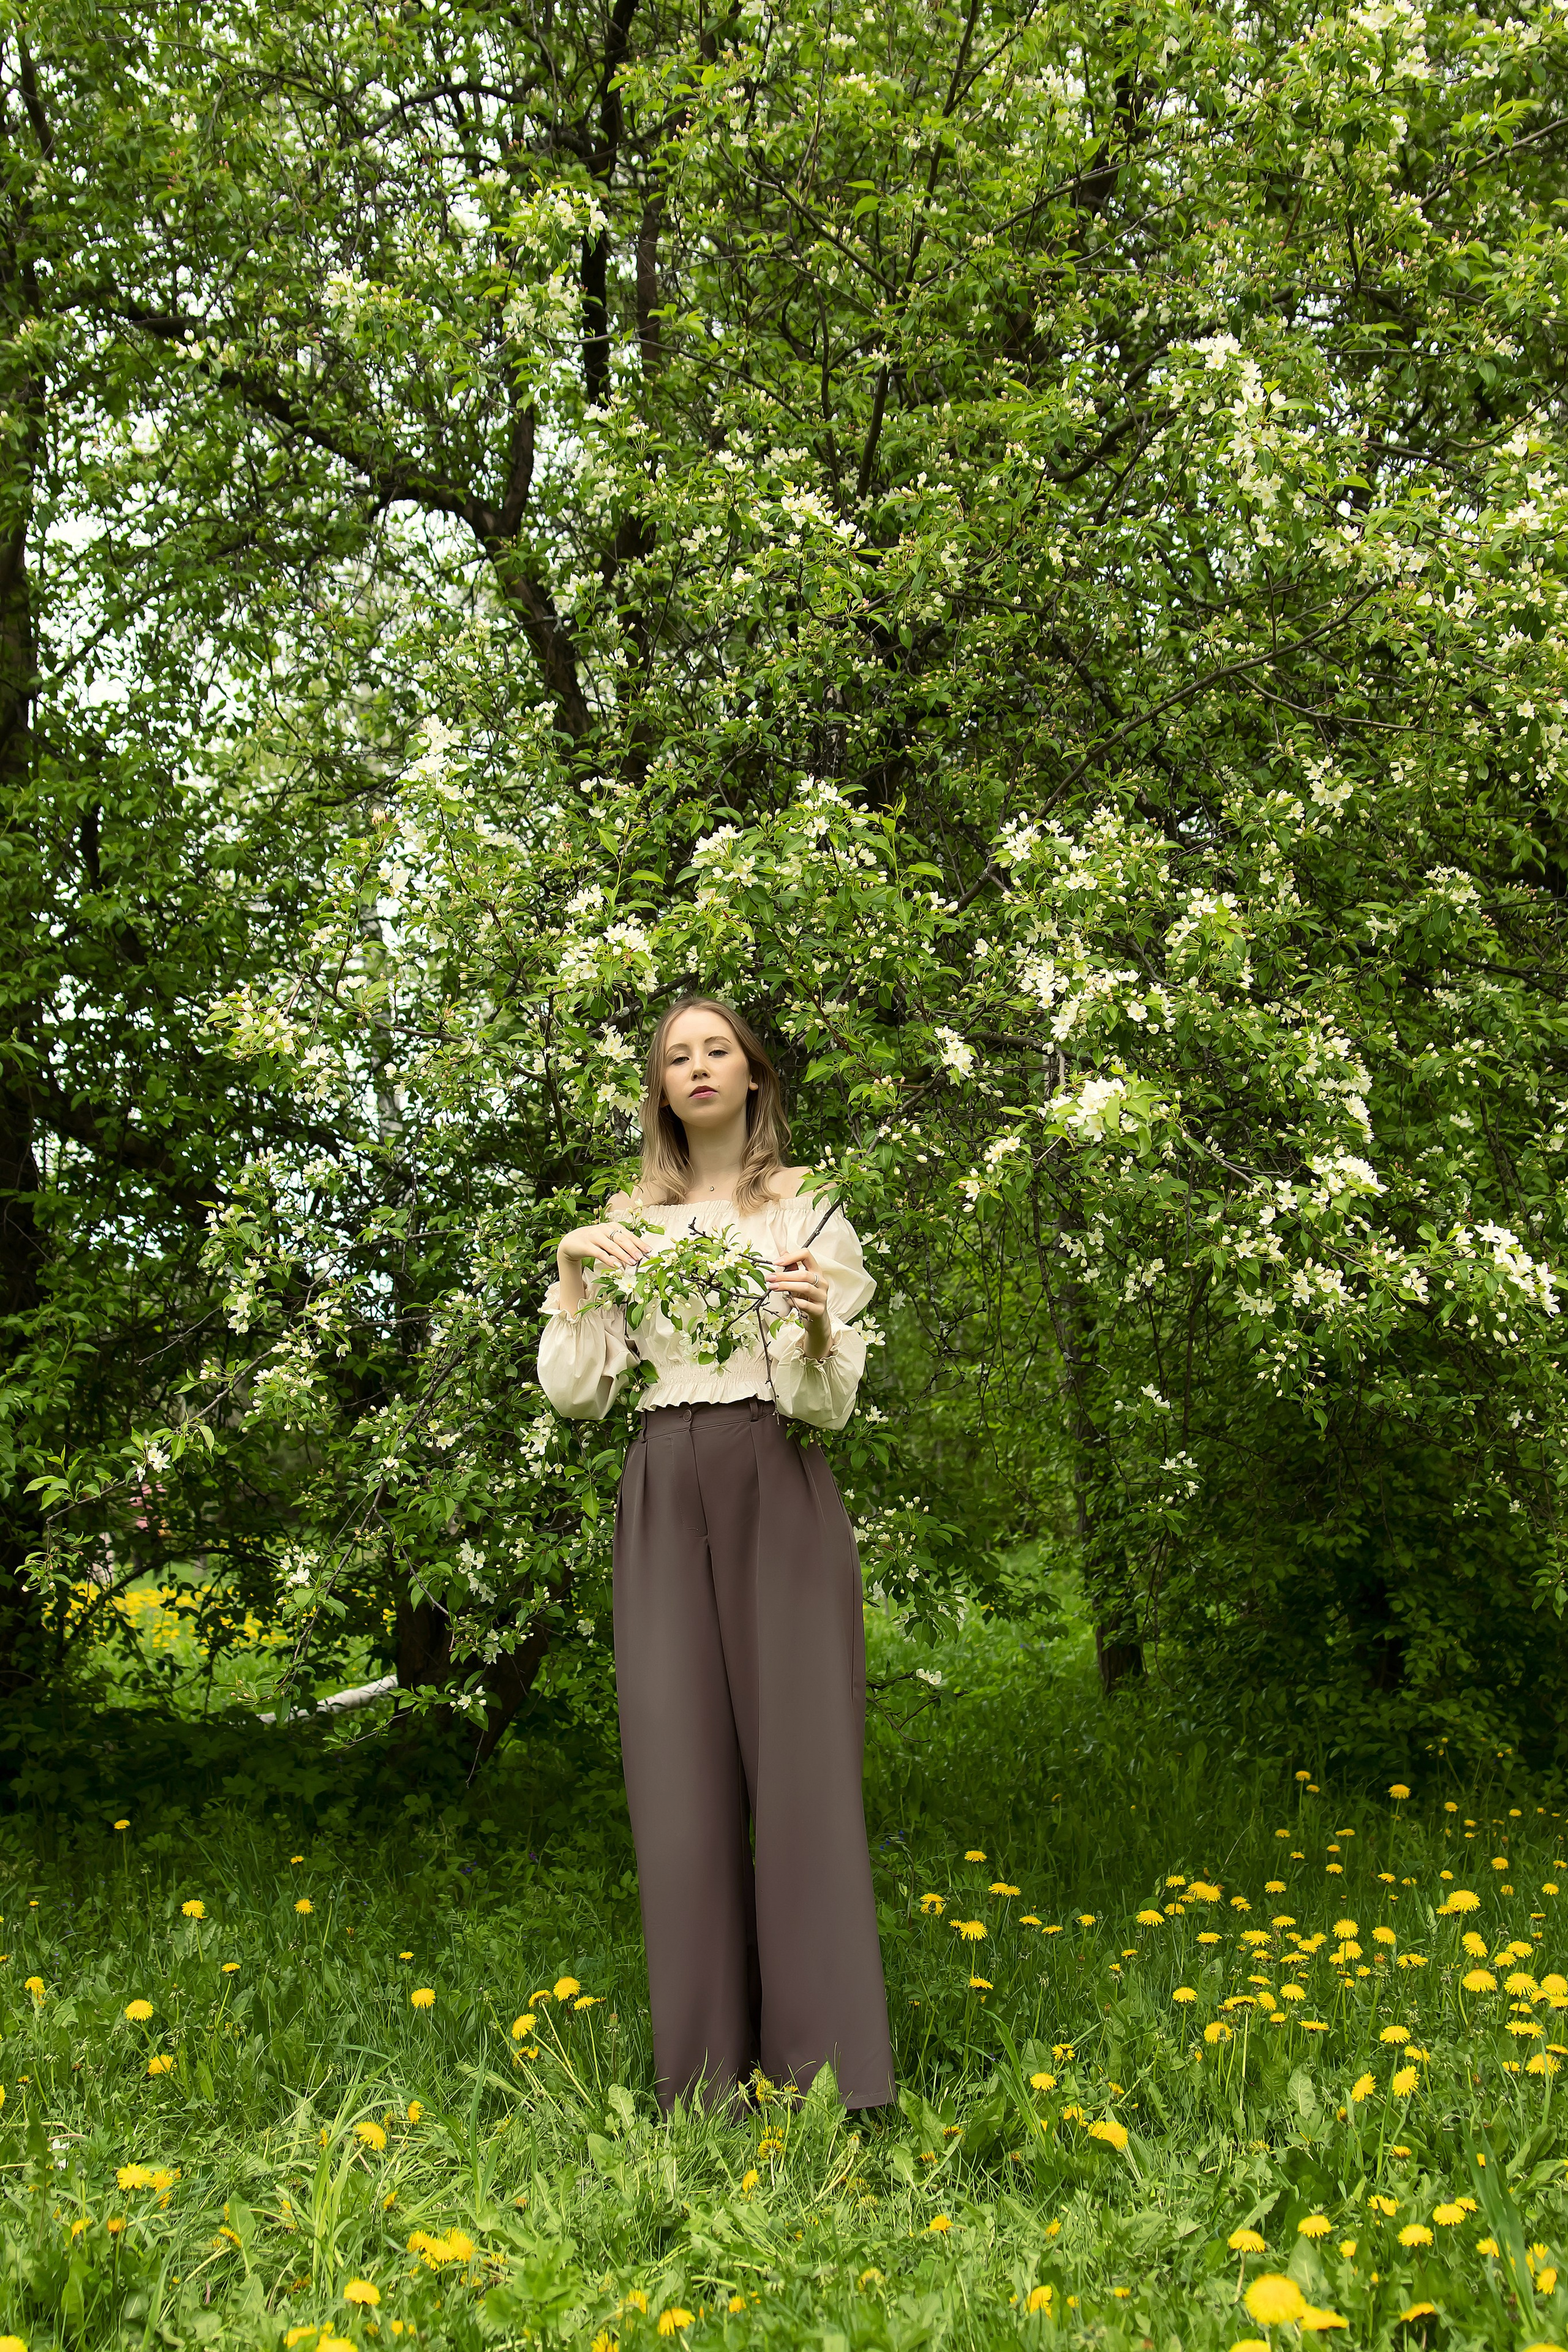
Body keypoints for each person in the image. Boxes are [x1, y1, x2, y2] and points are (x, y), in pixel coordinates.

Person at [538, 994, 895, 2115]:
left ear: (753, 1076)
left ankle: (825, 2081)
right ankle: (700, 2084)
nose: (697, 1068)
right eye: (675, 1055)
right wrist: (571, 1271)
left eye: (718, 1050)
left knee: (802, 1782)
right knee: (678, 1791)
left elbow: (827, 1404)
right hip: (658, 1481)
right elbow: (577, 1395)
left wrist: (819, 1326)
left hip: (773, 1476)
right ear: (659, 1087)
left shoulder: (806, 1212)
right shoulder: (623, 1220)